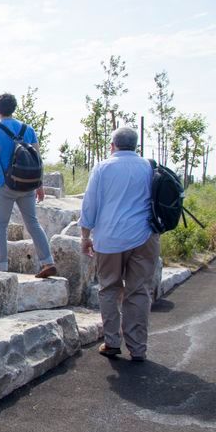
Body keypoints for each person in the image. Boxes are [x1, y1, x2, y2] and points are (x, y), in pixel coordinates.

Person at [79, 127, 158, 362]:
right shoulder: (149, 167)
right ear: (136, 147)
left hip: (110, 239)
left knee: (109, 288)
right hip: (144, 237)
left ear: (112, 145)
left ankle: (112, 342)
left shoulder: (103, 167)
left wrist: (85, 236)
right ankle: (138, 348)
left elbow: (90, 205)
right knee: (139, 291)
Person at [0, 92, 57, 279]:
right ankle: (47, 261)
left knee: (0, 225)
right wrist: (39, 185)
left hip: (6, 185)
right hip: (28, 185)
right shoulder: (28, 129)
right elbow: (38, 159)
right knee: (32, 223)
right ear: (14, 108)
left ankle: (1, 270)